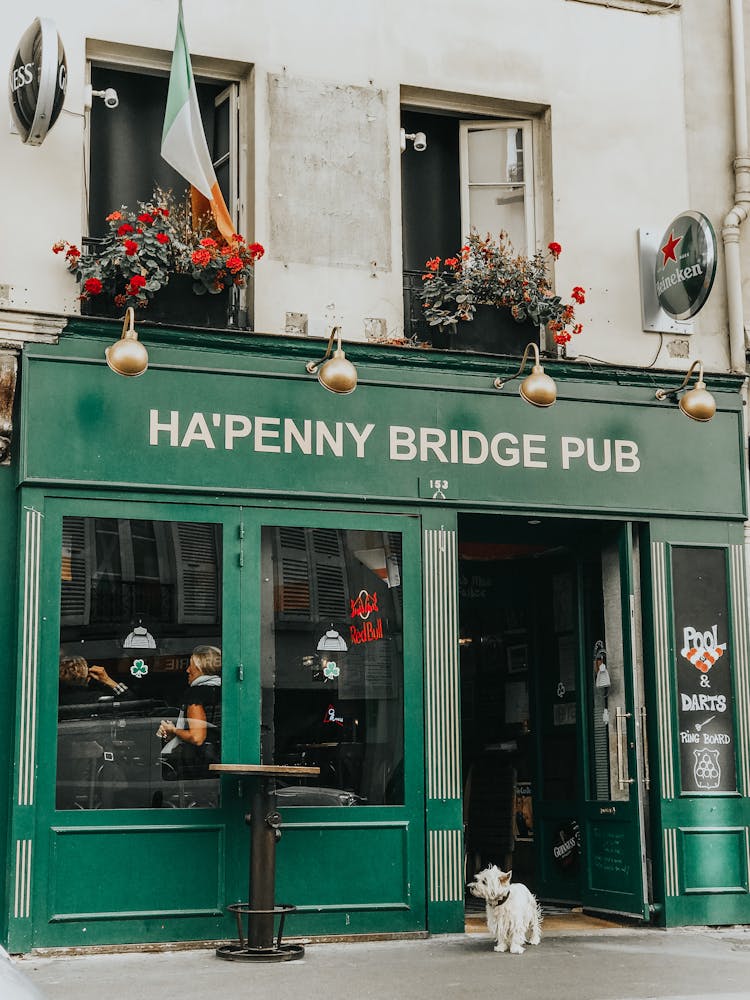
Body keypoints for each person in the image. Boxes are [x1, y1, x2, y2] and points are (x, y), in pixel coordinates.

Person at [157, 645, 222, 780]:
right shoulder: (224, 691)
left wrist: (173, 730)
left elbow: (197, 737)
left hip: (197, 764)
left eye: (191, 666)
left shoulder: (196, 694)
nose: (187, 670)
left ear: (202, 668)